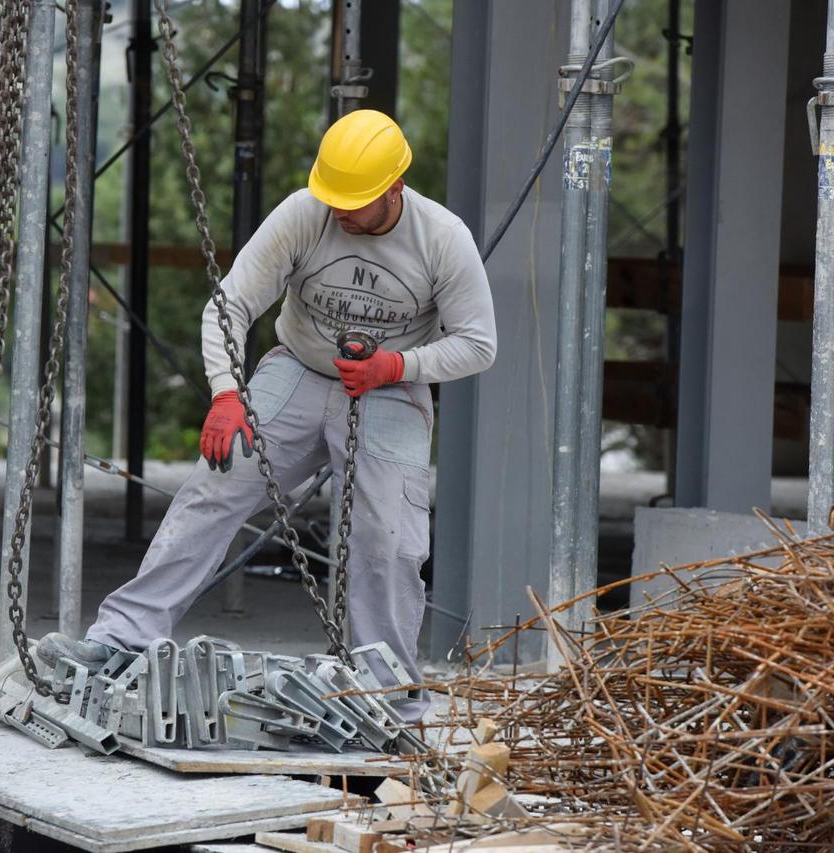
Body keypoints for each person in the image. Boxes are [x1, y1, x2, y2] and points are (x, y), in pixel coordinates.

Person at [37, 110, 496, 720]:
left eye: (354, 203)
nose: (340, 213)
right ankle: (121, 638)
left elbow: (479, 344)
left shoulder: (443, 238)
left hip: (391, 385)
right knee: (214, 488)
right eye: (333, 199)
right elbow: (229, 306)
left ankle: (386, 694)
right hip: (299, 368)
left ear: (394, 188)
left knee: (387, 539)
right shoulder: (305, 212)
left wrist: (396, 366)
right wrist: (228, 392)